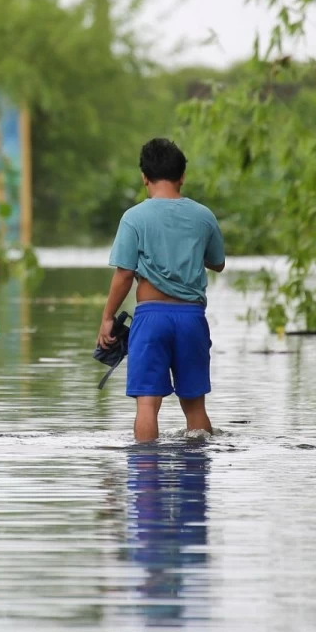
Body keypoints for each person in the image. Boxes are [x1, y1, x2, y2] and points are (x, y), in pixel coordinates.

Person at [98, 138, 226, 442]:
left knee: (147, 405)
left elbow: (124, 273)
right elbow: (218, 263)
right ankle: (195, 478)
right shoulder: (203, 216)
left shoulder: (134, 218)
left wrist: (107, 317)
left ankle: (146, 479)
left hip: (151, 318)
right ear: (182, 176)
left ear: (144, 177)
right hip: (192, 319)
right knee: (194, 406)